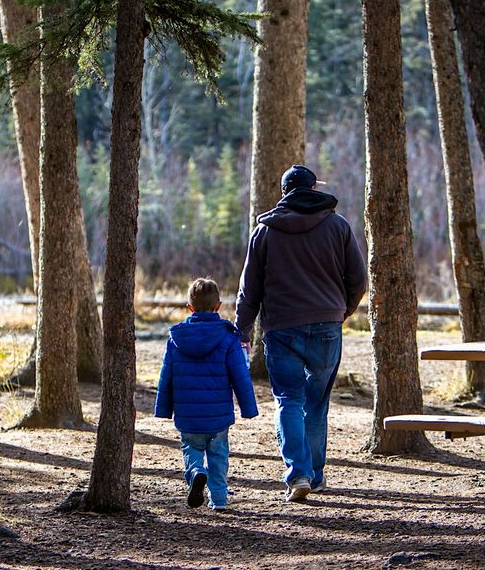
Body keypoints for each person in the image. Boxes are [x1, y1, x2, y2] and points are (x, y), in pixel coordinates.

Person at [235, 165, 367, 502]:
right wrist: (342, 310)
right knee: (316, 404)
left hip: (281, 328)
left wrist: (243, 329)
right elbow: (358, 279)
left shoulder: (264, 232)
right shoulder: (337, 226)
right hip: (326, 325)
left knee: (289, 401)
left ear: (284, 193)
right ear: (312, 189)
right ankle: (316, 475)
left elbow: (249, 290)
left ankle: (299, 475)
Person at [155, 277, 259, 510]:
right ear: (218, 306)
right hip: (218, 414)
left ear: (190, 307)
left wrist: (163, 409)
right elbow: (239, 375)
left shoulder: (176, 339)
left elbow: (166, 375)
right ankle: (219, 499)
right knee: (219, 455)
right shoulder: (228, 337)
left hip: (188, 413)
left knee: (191, 448)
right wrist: (248, 408)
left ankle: (195, 472)